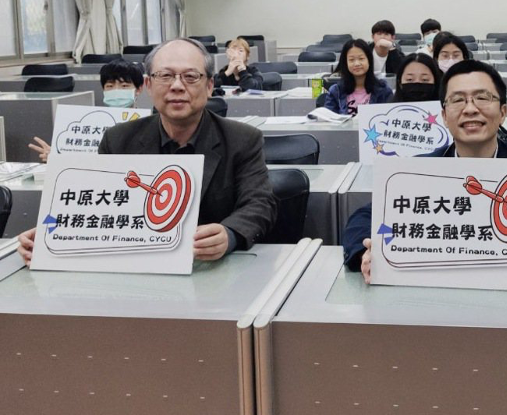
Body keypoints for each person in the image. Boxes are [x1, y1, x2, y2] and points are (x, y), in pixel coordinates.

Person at [342, 60, 507, 296]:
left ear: (503, 112)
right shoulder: (419, 170)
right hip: (435, 298)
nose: (471, 109)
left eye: (482, 98)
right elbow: (362, 219)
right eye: (458, 100)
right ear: (444, 116)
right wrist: (367, 252)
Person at [17, 38, 277, 265]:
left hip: (212, 270)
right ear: (148, 85)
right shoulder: (118, 140)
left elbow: (260, 204)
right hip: (137, 269)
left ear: (209, 86)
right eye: (165, 76)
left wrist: (229, 235)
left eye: (190, 77)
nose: (177, 86)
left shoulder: (242, 139)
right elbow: (95, 206)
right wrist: (53, 234)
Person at [28, 59, 146, 162]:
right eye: (110, 86)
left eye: (124, 86)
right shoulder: (89, 124)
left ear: (138, 89)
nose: (116, 91)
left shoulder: (149, 124)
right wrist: (57, 158)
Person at [325, 38, 393, 115]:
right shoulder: (336, 91)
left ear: (369, 60)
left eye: (361, 58)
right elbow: (329, 119)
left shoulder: (383, 90)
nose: (357, 63)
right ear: (345, 63)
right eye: (351, 60)